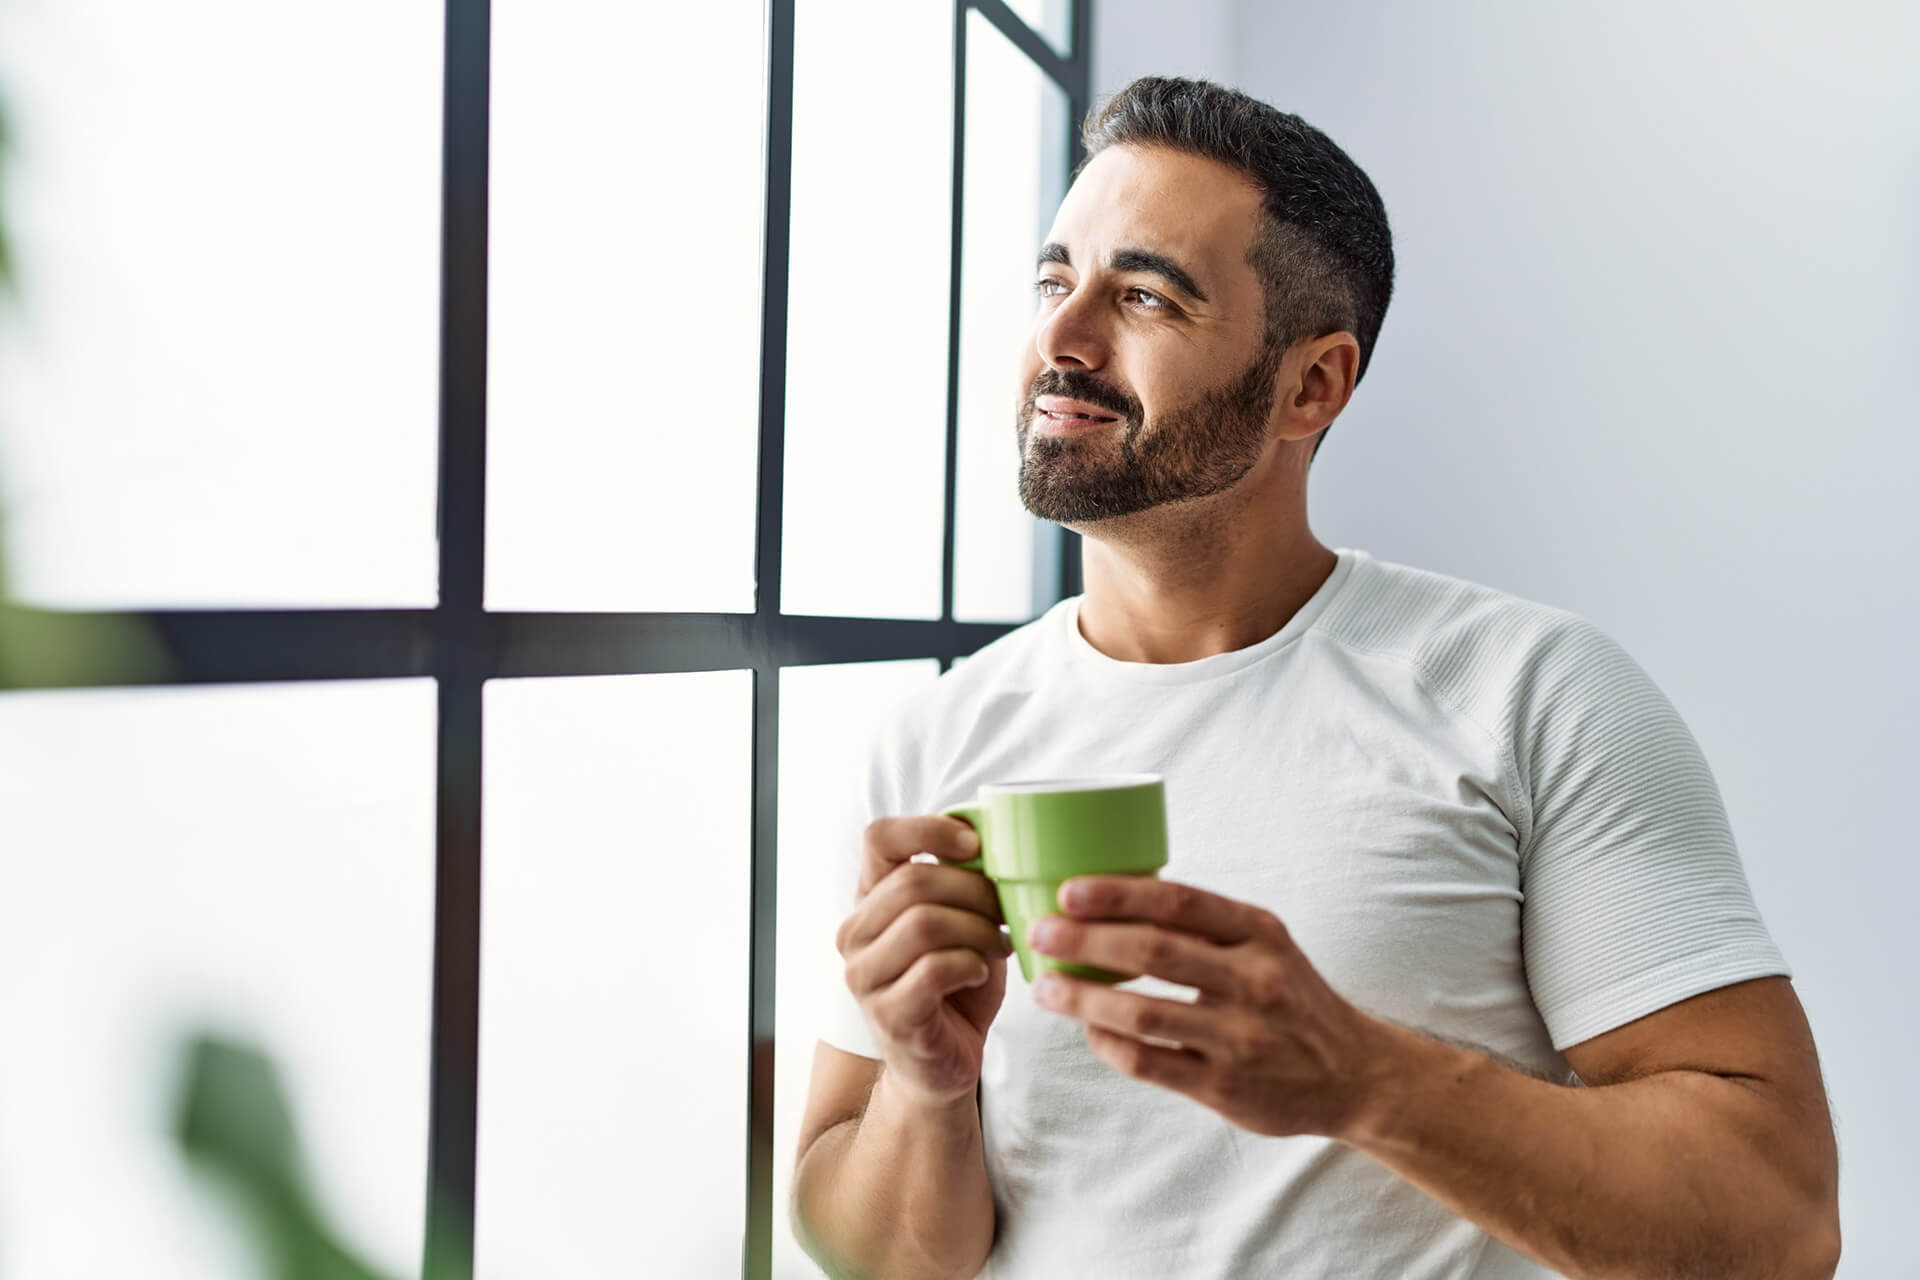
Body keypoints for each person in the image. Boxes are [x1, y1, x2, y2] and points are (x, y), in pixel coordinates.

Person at [789, 76, 1841, 1279]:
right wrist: (929, 1087)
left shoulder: (1535, 696)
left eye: (1142, 294)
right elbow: (874, 1254)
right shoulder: (931, 739)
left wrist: (1363, 1077)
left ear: (1314, 385)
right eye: (1052, 280)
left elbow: (1777, 1222)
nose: (1061, 341)